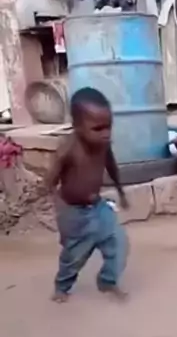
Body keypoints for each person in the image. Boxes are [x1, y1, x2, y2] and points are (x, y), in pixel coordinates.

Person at [45, 86, 129, 302]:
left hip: (98, 207)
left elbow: (111, 166)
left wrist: (121, 191)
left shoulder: (103, 145)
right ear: (77, 127)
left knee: (119, 242)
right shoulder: (68, 149)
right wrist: (54, 205)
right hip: (74, 212)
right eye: (98, 128)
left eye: (109, 126)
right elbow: (51, 179)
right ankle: (62, 286)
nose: (106, 134)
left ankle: (107, 281)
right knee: (74, 256)